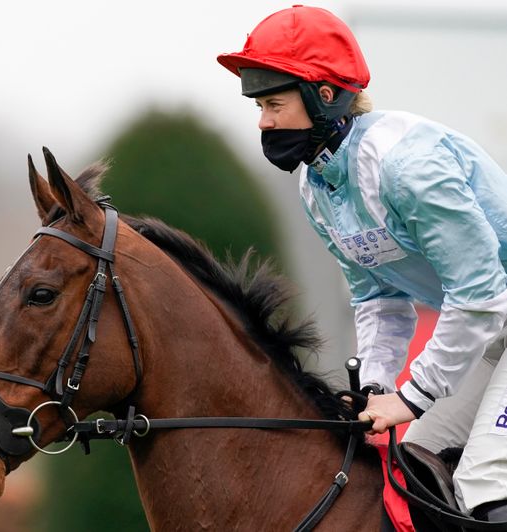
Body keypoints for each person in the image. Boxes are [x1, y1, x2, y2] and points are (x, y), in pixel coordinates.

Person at [217, 5, 507, 522]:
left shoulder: (409, 167)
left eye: (274, 104)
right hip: (491, 332)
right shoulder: (317, 185)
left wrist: (414, 395)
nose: (263, 121)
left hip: (488, 314)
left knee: (484, 487)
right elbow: (378, 297)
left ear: (323, 96)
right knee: (411, 473)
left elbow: (480, 297)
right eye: (258, 107)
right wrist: (376, 386)